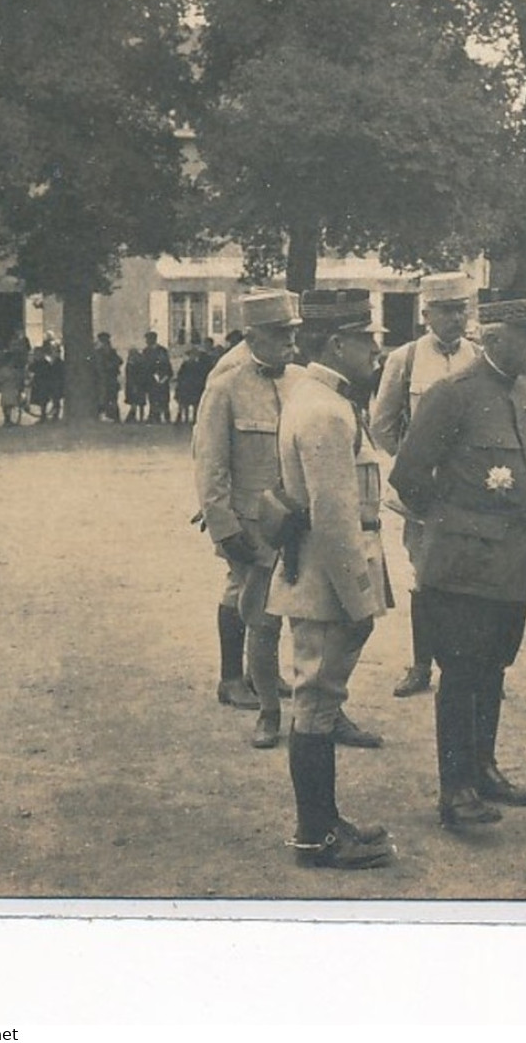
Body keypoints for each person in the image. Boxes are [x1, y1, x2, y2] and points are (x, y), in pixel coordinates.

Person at [392, 298, 526, 827]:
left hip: (514, 564)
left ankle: (484, 768)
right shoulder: (452, 396)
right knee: (461, 671)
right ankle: (456, 788)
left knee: (493, 669)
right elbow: (409, 475)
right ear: (495, 338)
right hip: (466, 565)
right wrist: (451, 524)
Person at [266, 288, 394, 870]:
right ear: (338, 343)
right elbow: (336, 518)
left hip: (320, 577)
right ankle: (316, 835)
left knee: (319, 701)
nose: (376, 351)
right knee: (316, 705)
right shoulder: (323, 408)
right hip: (326, 582)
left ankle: (324, 822)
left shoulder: (320, 398)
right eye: (367, 340)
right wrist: (359, 597)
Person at [193, 290, 305, 745]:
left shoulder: (297, 381)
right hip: (249, 520)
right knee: (246, 594)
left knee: (279, 599)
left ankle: (264, 676)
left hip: (291, 518)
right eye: (280, 335)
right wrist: (222, 524)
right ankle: (231, 678)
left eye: (293, 335)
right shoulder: (226, 385)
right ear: (253, 335)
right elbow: (209, 461)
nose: (290, 345)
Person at [370, 282, 481, 699]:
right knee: (426, 575)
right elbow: (381, 422)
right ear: (426, 314)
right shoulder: (406, 357)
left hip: (471, 488)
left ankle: (470, 666)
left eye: (461, 309)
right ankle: (420, 665)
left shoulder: (478, 356)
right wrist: (413, 465)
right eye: (446, 310)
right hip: (426, 491)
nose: (456, 318)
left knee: (473, 575)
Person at [143, 331, 173, 424]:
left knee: (164, 397)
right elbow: (145, 365)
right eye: (147, 339)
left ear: (154, 339)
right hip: (150, 378)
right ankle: (154, 416)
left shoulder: (162, 350)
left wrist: (164, 376)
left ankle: (166, 416)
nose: (147, 341)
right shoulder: (146, 351)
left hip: (162, 376)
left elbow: (166, 364)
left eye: (149, 339)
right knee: (152, 398)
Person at [95, 333, 123, 421]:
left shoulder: (112, 352)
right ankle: (103, 415)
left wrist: (110, 365)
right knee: (103, 397)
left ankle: (114, 416)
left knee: (112, 397)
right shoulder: (98, 352)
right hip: (101, 378)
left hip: (110, 378)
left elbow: (119, 361)